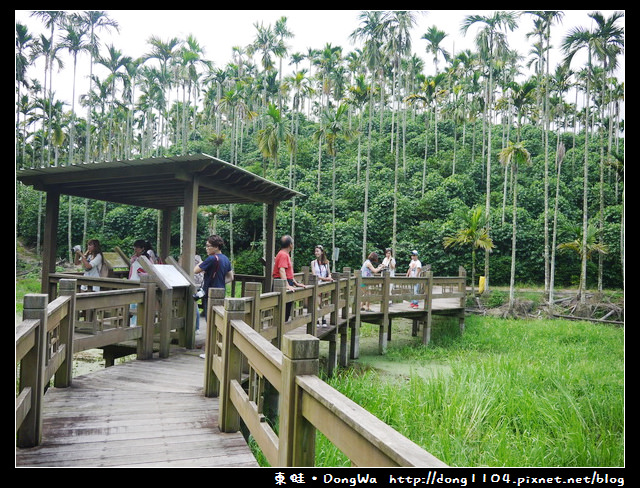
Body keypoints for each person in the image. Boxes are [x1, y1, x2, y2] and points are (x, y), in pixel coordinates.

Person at [194, 235, 233, 320]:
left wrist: (201, 261)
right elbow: (231, 277)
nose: (206, 248)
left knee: (210, 318)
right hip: (221, 291)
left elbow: (195, 270)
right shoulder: (226, 259)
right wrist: (220, 282)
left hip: (210, 293)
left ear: (216, 247)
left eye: (208, 246)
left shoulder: (211, 259)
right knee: (218, 318)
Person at [272, 235, 306, 320]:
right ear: (290, 244)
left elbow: (288, 273)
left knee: (286, 311)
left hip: (285, 282)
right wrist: (286, 285)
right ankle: (280, 332)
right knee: (283, 313)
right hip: (281, 283)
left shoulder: (283, 254)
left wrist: (295, 283)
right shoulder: (283, 255)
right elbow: (282, 270)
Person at [311, 245, 332, 326]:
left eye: (318, 251)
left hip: (325, 285)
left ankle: (323, 319)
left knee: (324, 303)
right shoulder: (313, 262)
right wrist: (326, 279)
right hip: (317, 284)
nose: (316, 253)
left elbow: (329, 273)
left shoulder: (326, 262)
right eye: (315, 251)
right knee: (318, 302)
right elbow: (314, 275)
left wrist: (329, 277)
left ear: (322, 252)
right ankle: (316, 319)